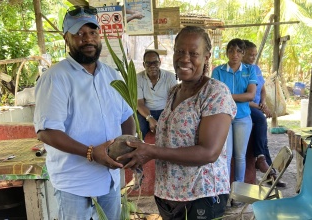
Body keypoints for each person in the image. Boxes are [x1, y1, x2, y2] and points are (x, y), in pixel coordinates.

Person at [118, 26, 237, 220]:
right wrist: (142, 153)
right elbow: (172, 143)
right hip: (169, 194)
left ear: (206, 57)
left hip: (200, 195)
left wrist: (151, 151)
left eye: (193, 53)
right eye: (180, 51)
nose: (185, 58)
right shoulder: (174, 91)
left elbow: (209, 152)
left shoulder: (215, 93)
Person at [33, 5, 135, 220]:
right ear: (66, 39)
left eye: (92, 32)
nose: (87, 39)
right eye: (79, 34)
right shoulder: (56, 78)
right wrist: (90, 152)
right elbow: (47, 132)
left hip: (110, 178)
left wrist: (128, 144)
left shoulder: (111, 74)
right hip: (74, 182)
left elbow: (126, 116)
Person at [212, 38, 257, 206]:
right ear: (227, 53)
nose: (235, 54)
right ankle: (224, 193)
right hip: (224, 118)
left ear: (243, 53)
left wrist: (227, 96)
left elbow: (251, 95)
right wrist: (238, 97)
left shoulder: (250, 70)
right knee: (226, 156)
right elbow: (215, 95)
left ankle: (237, 194)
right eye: (231, 51)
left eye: (238, 51)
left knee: (240, 156)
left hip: (243, 118)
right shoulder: (218, 71)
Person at [242, 40, 286, 187]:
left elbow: (262, 89)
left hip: (258, 105)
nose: (253, 57)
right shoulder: (240, 71)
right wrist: (260, 107)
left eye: (254, 55)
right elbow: (241, 98)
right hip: (246, 106)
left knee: (263, 140)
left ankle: (268, 170)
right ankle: (264, 165)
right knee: (261, 120)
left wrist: (263, 103)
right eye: (250, 55)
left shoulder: (256, 69)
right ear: (242, 54)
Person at [137, 50, 177, 139]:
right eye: (148, 63)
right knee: (140, 129)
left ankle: (168, 151)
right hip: (145, 112)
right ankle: (142, 150)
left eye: (155, 62)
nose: (152, 66)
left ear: (160, 63)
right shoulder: (138, 78)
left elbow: (174, 100)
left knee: (171, 131)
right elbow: (139, 104)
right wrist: (149, 118)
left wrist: (165, 117)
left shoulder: (170, 77)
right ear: (144, 65)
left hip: (165, 111)